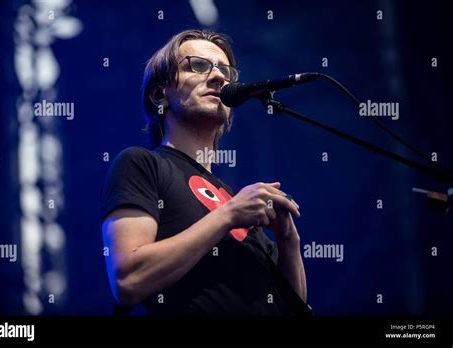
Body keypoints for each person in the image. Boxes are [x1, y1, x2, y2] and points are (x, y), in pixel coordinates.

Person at [101, 29, 312, 316]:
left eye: (225, 70)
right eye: (197, 66)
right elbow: (127, 281)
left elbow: (293, 309)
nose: (218, 77)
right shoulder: (141, 165)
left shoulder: (235, 202)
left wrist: (288, 242)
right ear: (160, 95)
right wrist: (229, 215)